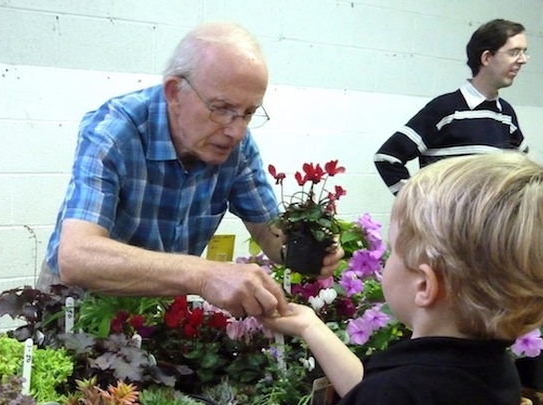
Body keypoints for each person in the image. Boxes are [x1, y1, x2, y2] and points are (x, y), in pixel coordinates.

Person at [260, 152, 543, 405]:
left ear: (425, 285)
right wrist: (309, 325)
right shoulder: (486, 371)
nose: (387, 260)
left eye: (395, 249)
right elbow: (384, 392)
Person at [37, 21, 341, 317]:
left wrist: (311, 248)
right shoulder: (116, 130)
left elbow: (268, 232)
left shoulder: (236, 146)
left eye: (248, 113)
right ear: (174, 92)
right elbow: (76, 257)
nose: (236, 131)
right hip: (79, 305)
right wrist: (204, 274)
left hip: (156, 303)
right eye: (221, 108)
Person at [374, 19, 530, 195]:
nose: (523, 60)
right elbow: (387, 158)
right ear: (487, 57)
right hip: (446, 223)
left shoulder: (506, 114)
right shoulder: (445, 110)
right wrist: (418, 206)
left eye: (524, 52)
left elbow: (521, 174)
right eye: (514, 52)